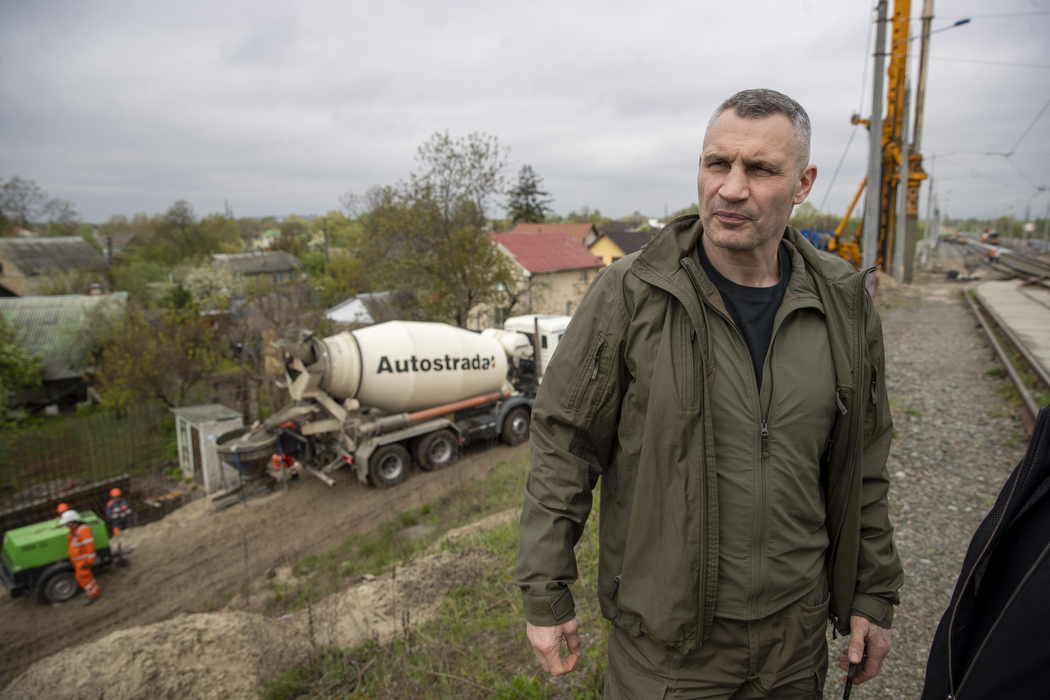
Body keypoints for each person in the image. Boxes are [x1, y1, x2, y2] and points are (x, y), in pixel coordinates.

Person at [515, 88, 903, 699]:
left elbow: (866, 461)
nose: (730, 187)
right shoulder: (632, 293)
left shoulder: (844, 303)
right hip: (668, 649)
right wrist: (544, 589)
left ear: (803, 183)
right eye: (716, 163)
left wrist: (873, 593)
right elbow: (564, 440)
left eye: (760, 169)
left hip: (795, 644)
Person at [61, 509, 100, 605]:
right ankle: (93, 590)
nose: (65, 525)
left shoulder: (83, 530)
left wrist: (89, 561)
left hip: (83, 561)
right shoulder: (74, 530)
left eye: (66, 523)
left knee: (84, 578)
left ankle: (93, 594)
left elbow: (89, 547)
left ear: (71, 521)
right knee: (83, 577)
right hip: (77, 561)